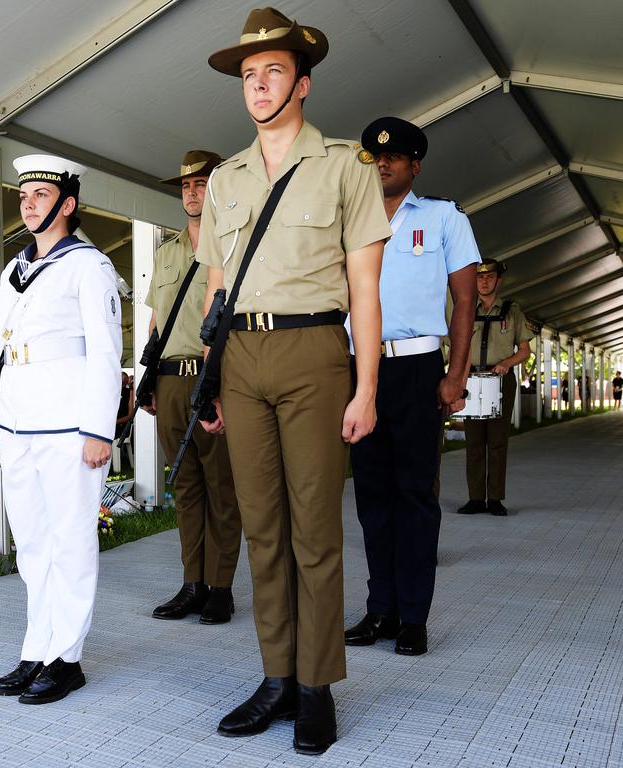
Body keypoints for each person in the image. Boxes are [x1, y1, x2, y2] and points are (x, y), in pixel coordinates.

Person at [196, 8, 390, 754]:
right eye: (249, 75)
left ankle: (316, 687)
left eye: (273, 71)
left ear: (302, 84)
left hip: (314, 352)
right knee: (261, 528)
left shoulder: (346, 165)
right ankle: (276, 677)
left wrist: (365, 387)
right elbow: (218, 286)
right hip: (240, 359)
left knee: (314, 528)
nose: (259, 85)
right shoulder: (224, 179)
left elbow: (364, 290)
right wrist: (212, 379)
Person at [0, 153, 121, 706]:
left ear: (68, 204)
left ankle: (67, 658)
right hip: (18, 423)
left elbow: (107, 354)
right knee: (34, 544)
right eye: (23, 195)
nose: (29, 203)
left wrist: (98, 429)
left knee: (70, 542)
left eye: (40, 194)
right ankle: (37, 648)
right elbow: (0, 351)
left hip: (69, 425)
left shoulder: (90, 266)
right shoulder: (13, 269)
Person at [344, 117, 479, 659]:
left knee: (415, 495)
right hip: (360, 371)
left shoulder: (444, 217)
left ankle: (414, 618)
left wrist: (457, 374)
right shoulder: (351, 218)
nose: (383, 163)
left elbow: (465, 300)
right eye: (376, 156)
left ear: (414, 164)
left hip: (418, 368)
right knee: (372, 495)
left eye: (395, 156)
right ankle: (380, 609)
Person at [144, 149, 242, 624]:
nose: (191, 192)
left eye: (200, 183)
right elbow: (155, 322)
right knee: (184, 486)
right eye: (185, 186)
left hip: (215, 378)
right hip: (170, 381)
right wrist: (145, 381)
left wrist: (223, 380)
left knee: (222, 486)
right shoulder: (165, 254)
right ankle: (192, 582)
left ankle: (221, 586)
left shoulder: (234, 245)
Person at [459, 259, 533, 516]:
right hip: (472, 379)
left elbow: (525, 351)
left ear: (498, 281)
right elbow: (456, 346)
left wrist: (506, 363)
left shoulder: (512, 310)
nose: (484, 281)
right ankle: (476, 498)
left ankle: (495, 499)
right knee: (474, 442)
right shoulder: (465, 309)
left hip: (501, 380)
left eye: (490, 277)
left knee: (498, 441)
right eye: (480, 277)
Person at [115, 372, 135, 439]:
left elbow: (130, 415)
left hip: (120, 432)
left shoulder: (128, 392)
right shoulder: (110, 392)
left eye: (124, 383)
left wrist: (131, 388)